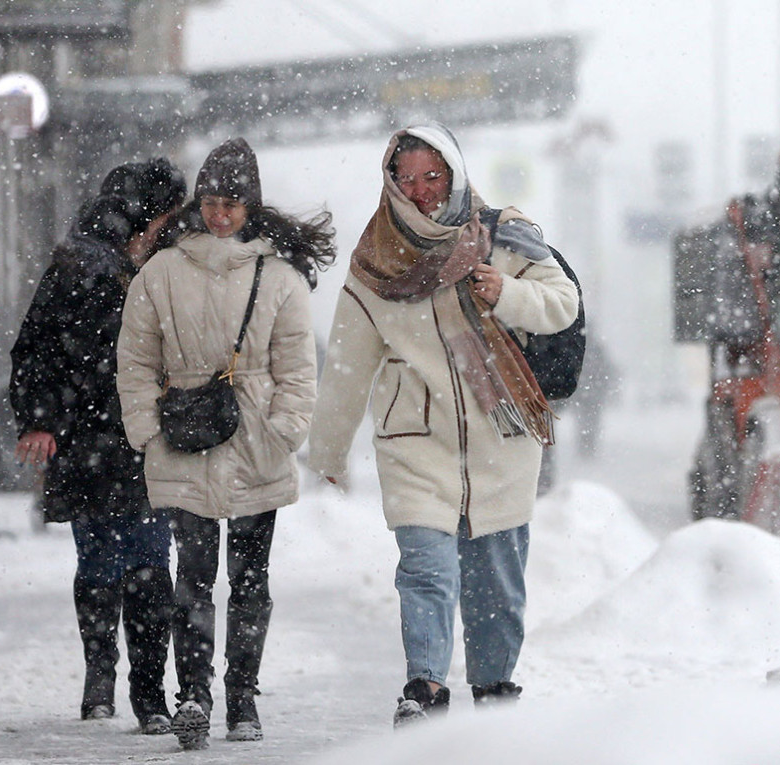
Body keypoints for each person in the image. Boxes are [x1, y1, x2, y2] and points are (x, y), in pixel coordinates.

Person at [307, 122, 579, 727]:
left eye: (433, 176)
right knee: (425, 570)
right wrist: (327, 450)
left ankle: (493, 691)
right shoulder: (375, 258)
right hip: (415, 437)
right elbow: (351, 361)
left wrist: (505, 289)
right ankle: (424, 688)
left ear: (454, 175)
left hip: (501, 432)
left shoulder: (505, 235)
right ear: (390, 183)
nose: (422, 191)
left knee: (495, 584)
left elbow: (563, 305)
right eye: (406, 179)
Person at [116, 138, 334, 749]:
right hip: (183, 441)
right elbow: (134, 358)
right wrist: (147, 431)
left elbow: (298, 367)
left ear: (250, 208)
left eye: (232, 204)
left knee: (250, 581)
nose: (219, 214)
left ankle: (241, 698)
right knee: (193, 577)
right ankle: (195, 695)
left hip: (256, 445)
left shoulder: (281, 278)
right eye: (210, 201)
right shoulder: (161, 272)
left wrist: (285, 429)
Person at [8, 158, 187, 734]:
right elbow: (42, 348)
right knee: (140, 565)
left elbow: (34, 347)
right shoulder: (91, 265)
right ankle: (137, 688)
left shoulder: (103, 260)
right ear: (147, 213)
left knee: (113, 563)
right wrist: (42, 418)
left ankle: (110, 682)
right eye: (167, 215)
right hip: (113, 439)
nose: (170, 226)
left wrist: (43, 418)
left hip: (107, 441)